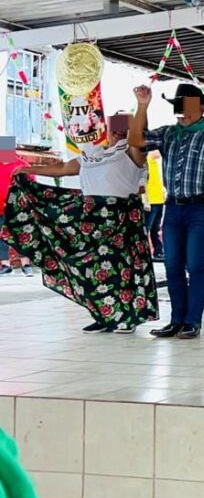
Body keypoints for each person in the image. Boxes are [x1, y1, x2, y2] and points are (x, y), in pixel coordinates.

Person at [5, 112, 159, 334]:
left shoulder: (132, 152)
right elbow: (62, 168)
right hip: (91, 221)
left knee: (120, 268)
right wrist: (28, 169)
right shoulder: (93, 154)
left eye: (124, 126)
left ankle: (126, 317)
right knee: (91, 269)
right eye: (114, 125)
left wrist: (142, 106)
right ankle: (103, 315)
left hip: (120, 220)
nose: (118, 130)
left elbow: (137, 138)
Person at [129, 83, 204, 340]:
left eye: (189, 106)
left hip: (202, 206)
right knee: (172, 264)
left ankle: (193, 320)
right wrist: (142, 105)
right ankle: (177, 319)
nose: (184, 112)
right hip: (173, 206)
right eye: (180, 107)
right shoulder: (169, 133)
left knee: (195, 263)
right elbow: (136, 139)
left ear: (201, 108)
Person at [0, 137, 33, 278]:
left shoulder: (21, 165)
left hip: (18, 207)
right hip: (0, 207)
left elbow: (31, 185)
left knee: (21, 235)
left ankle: (26, 264)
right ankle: (5, 265)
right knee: (1, 236)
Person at [144, 150, 166, 260]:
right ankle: (144, 252)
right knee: (147, 228)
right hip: (150, 201)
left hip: (159, 200)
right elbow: (143, 182)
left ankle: (158, 252)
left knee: (155, 228)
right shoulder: (147, 160)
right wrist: (145, 200)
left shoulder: (156, 163)